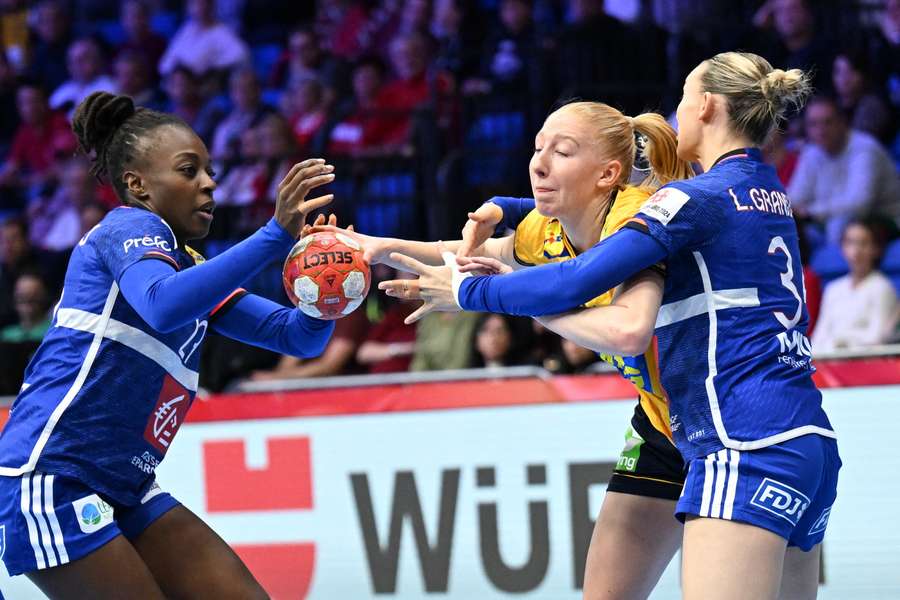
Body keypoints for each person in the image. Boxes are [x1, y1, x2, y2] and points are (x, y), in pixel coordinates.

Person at [383, 52, 840, 599]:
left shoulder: (691, 200)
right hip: (805, 438)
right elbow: (584, 222)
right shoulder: (766, 193)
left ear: (706, 107)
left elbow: (579, 279)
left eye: (682, 100)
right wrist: (504, 210)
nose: (673, 115)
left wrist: (470, 291)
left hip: (740, 436)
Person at [315, 99, 696, 599]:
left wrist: (506, 300)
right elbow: (472, 253)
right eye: (538, 148)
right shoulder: (547, 229)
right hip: (660, 423)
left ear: (608, 174)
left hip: (715, 420)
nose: (539, 163)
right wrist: (379, 246)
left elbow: (629, 330)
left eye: (562, 152)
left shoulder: (634, 222)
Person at [0, 91, 336, 599]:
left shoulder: (191, 266)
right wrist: (274, 235)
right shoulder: (128, 227)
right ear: (138, 185)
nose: (208, 183)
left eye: (209, 170)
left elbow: (293, 336)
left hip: (125, 485)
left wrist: (328, 293)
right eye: (188, 170)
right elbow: (161, 303)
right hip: (54, 476)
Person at [787, 95, 900, 244]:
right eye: (813, 124)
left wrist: (811, 212)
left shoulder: (865, 148)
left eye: (827, 122)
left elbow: (859, 204)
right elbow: (796, 196)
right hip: (830, 219)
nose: (821, 130)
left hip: (883, 219)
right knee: (788, 229)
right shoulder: (811, 152)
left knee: (839, 226)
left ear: (842, 122)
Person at [811, 218, 898, 353]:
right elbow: (818, 338)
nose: (856, 251)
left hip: (863, 365)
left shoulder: (882, 288)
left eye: (863, 243)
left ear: (876, 249)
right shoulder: (832, 289)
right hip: (827, 363)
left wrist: (840, 339)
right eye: (850, 242)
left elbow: (878, 338)